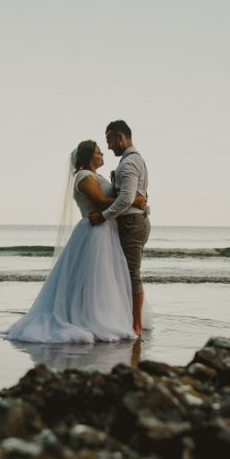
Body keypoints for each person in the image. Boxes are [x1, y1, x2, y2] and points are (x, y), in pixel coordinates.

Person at [4, 140, 148, 343]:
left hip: (107, 230)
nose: (103, 155)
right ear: (90, 157)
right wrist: (132, 199)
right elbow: (99, 201)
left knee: (107, 278)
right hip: (94, 231)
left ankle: (112, 315)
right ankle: (89, 318)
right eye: (99, 152)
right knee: (92, 278)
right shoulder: (83, 177)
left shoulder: (97, 176)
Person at [87, 120, 150, 335]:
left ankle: (136, 326)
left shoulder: (129, 163)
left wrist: (103, 217)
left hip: (132, 223)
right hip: (132, 221)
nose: (109, 147)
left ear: (120, 137)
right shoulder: (132, 160)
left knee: (132, 273)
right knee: (124, 272)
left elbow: (125, 199)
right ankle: (127, 318)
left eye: (110, 141)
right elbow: (130, 196)